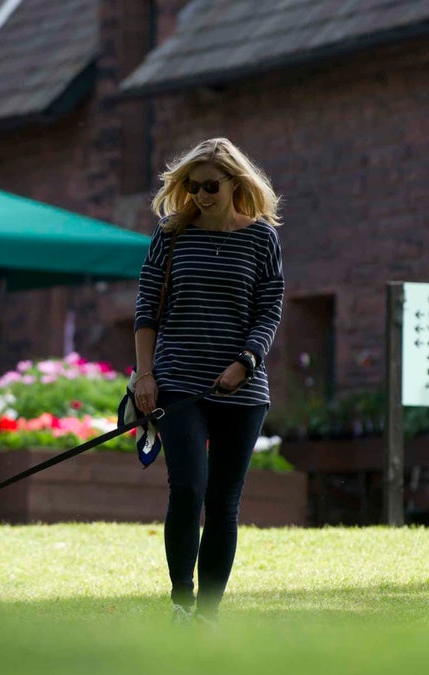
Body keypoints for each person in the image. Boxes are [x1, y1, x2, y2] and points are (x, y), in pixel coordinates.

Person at [132, 137, 284, 624]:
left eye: (210, 186)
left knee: (223, 502)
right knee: (188, 488)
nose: (200, 195)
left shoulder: (261, 239)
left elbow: (269, 309)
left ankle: (209, 615)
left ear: (235, 183)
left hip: (242, 388)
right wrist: (144, 375)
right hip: (178, 382)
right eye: (192, 186)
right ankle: (182, 601)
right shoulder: (172, 234)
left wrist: (246, 362)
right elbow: (146, 308)